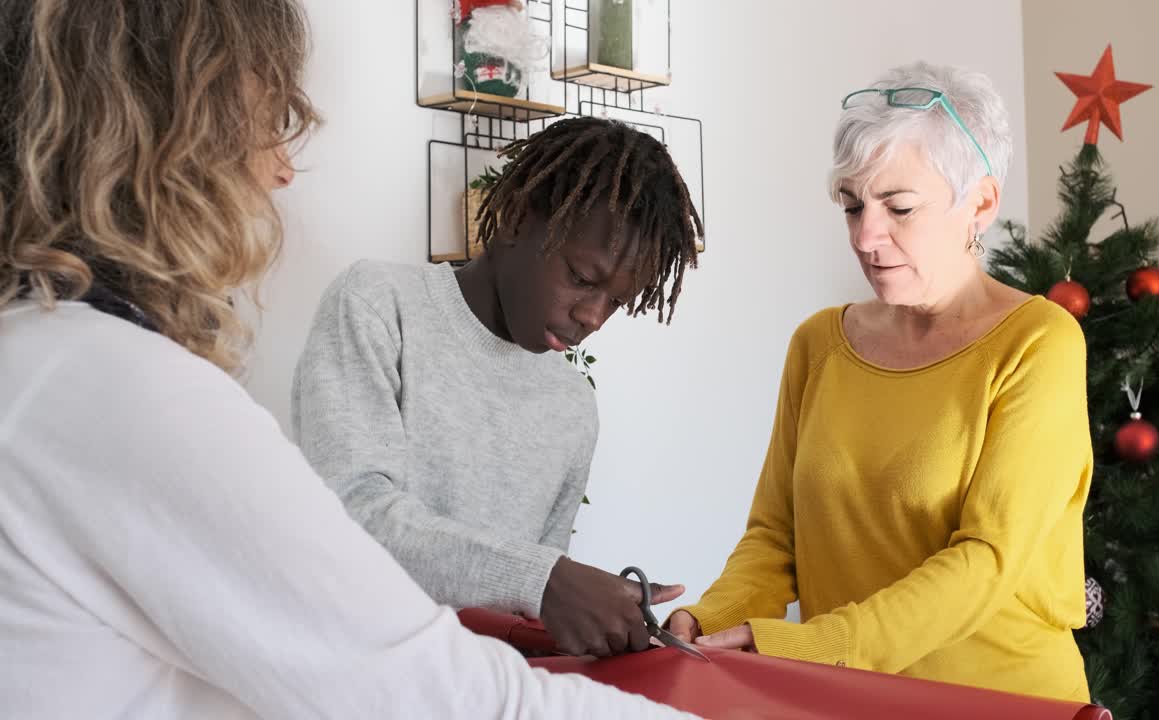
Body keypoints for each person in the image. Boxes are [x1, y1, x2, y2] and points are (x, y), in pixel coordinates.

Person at [0, 2, 695, 717]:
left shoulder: (58, 362)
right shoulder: (130, 391)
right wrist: (544, 580)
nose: (283, 172)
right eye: (272, 124)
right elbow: (400, 640)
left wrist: (571, 607)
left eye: (616, 302)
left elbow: (497, 643)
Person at [668, 61, 1094, 703]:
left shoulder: (1038, 343)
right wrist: (709, 616)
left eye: (899, 207)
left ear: (979, 202)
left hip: (999, 701)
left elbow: (988, 558)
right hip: (845, 699)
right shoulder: (819, 344)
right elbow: (774, 537)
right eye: (852, 206)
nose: (867, 237)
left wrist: (817, 646)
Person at [292, 116, 704, 657]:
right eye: (582, 279)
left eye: (617, 302)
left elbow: (519, 616)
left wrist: (584, 622)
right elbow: (352, 512)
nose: (594, 317)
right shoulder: (377, 304)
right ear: (514, 219)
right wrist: (548, 581)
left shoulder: (572, 404)